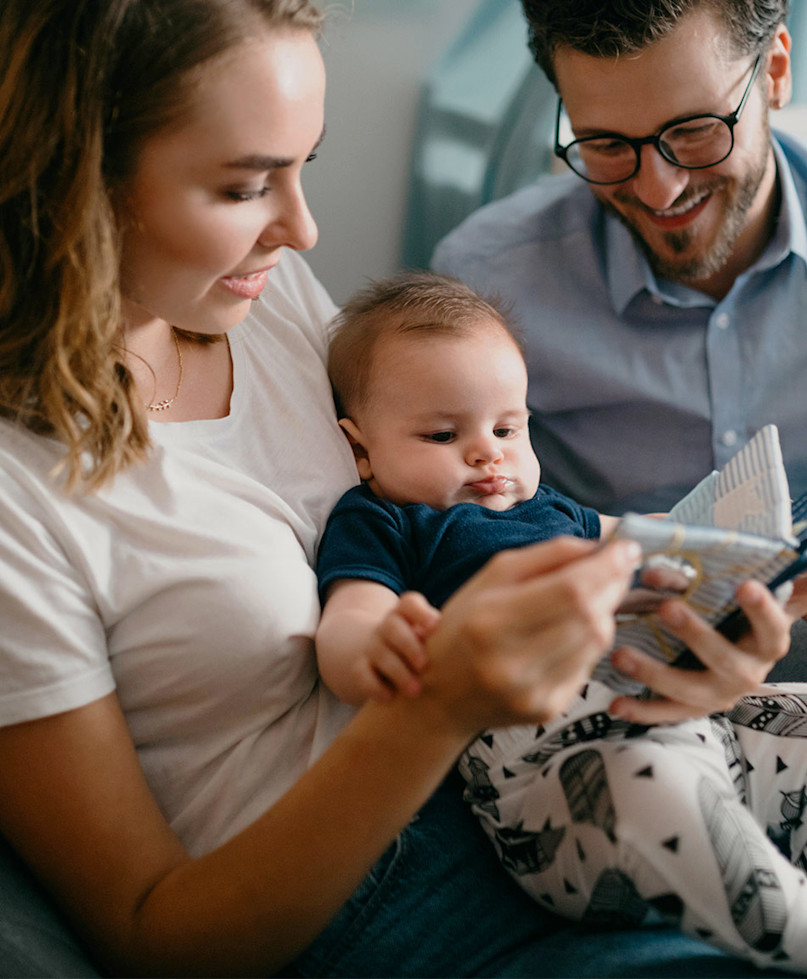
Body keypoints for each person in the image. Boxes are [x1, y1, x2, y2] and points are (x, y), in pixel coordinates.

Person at [0, 1, 797, 976]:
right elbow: (152, 935)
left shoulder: (271, 301)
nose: (302, 228)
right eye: (248, 185)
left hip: (557, 788)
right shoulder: (19, 496)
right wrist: (436, 706)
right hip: (395, 915)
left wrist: (661, 657)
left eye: (307, 166)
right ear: (79, 180)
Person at [315, 269, 807, 971]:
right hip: (562, 784)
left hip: (695, 726)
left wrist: (738, 543)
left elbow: (638, 532)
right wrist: (371, 648)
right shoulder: (390, 521)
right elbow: (349, 614)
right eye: (442, 432)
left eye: (507, 427)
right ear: (360, 448)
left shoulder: (546, 507)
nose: (487, 452)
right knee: (655, 791)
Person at [432, 0, 806, 520]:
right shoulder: (485, 280)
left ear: (776, 72)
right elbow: (439, 523)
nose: (658, 192)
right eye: (605, 144)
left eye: (695, 130)